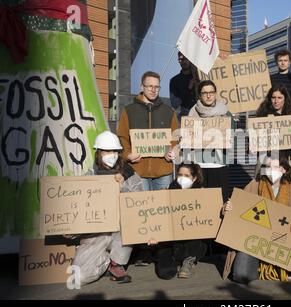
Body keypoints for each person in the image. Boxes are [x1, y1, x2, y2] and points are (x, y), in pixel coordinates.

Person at [117, 70, 177, 265]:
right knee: (141, 212)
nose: (153, 89)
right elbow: (122, 138)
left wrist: (172, 151)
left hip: (163, 171)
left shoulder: (168, 111)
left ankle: (161, 253)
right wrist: (127, 155)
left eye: (157, 86)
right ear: (142, 87)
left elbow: (176, 138)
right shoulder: (129, 110)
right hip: (139, 171)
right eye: (150, 86)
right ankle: (142, 252)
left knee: (161, 212)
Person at [71, 131, 144, 285]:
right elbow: (78, 209)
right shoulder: (88, 177)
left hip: (120, 231)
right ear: (99, 153)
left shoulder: (129, 173)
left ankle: (116, 263)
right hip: (97, 232)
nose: (112, 155)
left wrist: (123, 187)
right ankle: (104, 261)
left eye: (115, 151)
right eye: (107, 151)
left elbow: (140, 203)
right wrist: (70, 232)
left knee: (128, 224)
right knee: (80, 277)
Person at [223, 155, 291, 283]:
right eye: (267, 167)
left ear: (284, 169)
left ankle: (276, 267)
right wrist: (227, 208)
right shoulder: (254, 185)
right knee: (240, 275)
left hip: (284, 242)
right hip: (255, 241)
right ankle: (261, 267)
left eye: (276, 167)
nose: (271, 170)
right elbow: (238, 205)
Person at [147, 163, 208, 279]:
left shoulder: (202, 193)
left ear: (194, 178)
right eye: (180, 175)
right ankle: (170, 257)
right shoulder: (170, 189)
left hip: (191, 240)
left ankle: (189, 260)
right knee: (166, 272)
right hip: (170, 240)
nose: (183, 178)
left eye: (187, 175)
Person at [182, 80, 236, 202]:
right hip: (198, 166)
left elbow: (232, 138)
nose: (208, 95)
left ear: (215, 93)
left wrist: (232, 125)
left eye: (211, 92)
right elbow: (186, 139)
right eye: (204, 93)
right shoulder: (192, 114)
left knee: (220, 202)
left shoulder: (226, 114)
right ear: (199, 96)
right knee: (201, 204)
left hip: (219, 164)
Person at [255, 85, 291, 179]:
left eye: (279, 97)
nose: (276, 101)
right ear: (270, 99)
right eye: (273, 98)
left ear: (285, 99)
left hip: (288, 160)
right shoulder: (262, 117)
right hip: (267, 161)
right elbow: (254, 141)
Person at [170, 52, 198, 122]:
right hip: (185, 118)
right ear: (179, 61)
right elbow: (175, 104)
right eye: (181, 59)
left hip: (202, 116)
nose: (184, 61)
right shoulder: (174, 81)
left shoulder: (199, 76)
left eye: (186, 59)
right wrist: (188, 88)